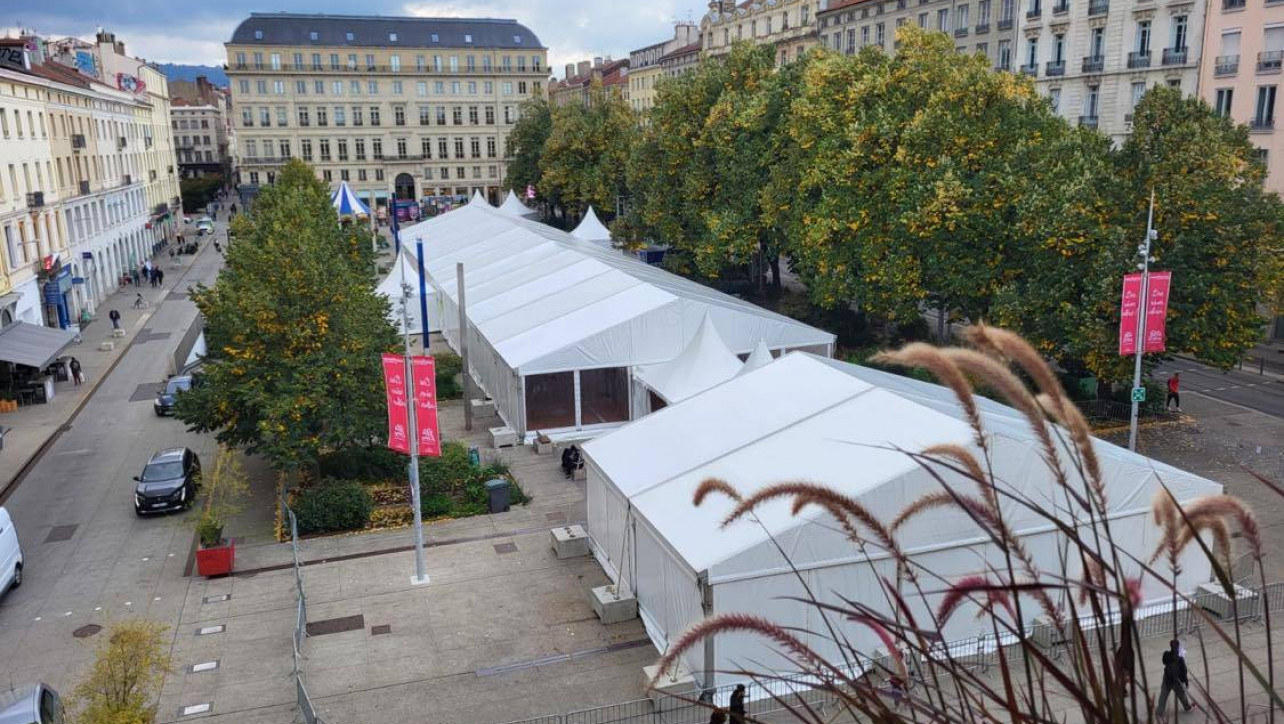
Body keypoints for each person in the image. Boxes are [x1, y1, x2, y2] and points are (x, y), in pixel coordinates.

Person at [1157, 639, 1193, 714]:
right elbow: (1184, 671)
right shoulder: (1180, 658)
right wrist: (1185, 681)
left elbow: (1164, 662)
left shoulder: (1166, 654)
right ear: (1178, 647)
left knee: (1163, 695)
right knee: (1181, 695)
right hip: (1177, 681)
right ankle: (1187, 707)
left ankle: (1160, 711)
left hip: (1167, 678)